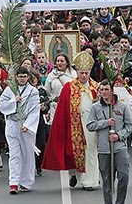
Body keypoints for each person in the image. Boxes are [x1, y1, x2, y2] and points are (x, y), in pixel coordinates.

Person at [42, 51, 100, 191]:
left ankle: (90, 180)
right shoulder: (69, 87)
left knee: (91, 151)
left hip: (91, 125)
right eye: (81, 73)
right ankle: (75, 174)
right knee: (75, 152)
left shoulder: (95, 87)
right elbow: (63, 109)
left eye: (86, 73)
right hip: (75, 124)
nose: (84, 76)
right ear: (77, 72)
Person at [86, 80, 132, 204]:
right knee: (107, 180)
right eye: (101, 90)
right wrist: (105, 123)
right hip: (104, 149)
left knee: (123, 176)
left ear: (112, 90)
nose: (103, 92)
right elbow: (90, 125)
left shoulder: (122, 107)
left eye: (106, 89)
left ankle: (120, 202)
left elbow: (130, 126)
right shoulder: (95, 107)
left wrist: (119, 136)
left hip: (120, 148)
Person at [0, 67, 40, 195]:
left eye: (24, 76)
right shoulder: (10, 90)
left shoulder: (33, 91)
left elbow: (35, 110)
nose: (22, 78)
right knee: (14, 154)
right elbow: (1, 105)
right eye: (20, 76)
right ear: (16, 77)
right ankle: (14, 182)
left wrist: (28, 125)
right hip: (12, 124)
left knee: (27, 154)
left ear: (28, 77)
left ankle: (26, 182)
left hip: (26, 127)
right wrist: (13, 101)